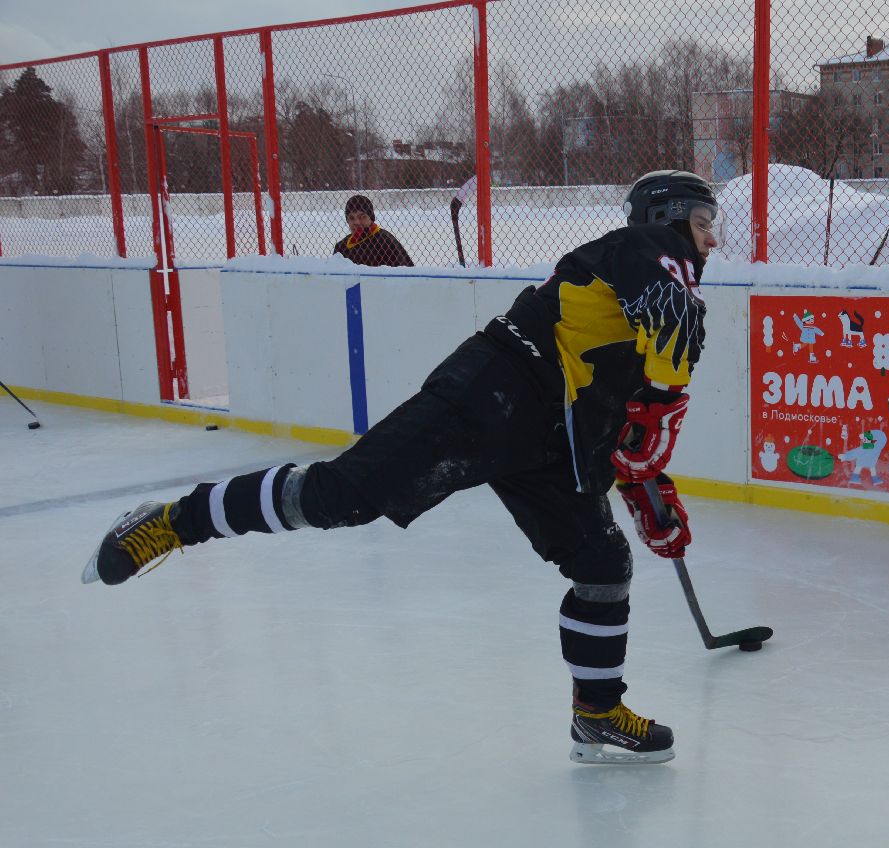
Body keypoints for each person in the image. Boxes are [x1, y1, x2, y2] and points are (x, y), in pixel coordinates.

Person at [82, 170, 722, 765]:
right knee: (341, 497)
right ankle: (174, 521)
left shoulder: (654, 297)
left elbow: (628, 414)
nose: (711, 237)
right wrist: (653, 418)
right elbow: (661, 311)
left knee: (602, 561)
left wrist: (644, 485)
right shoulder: (641, 249)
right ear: (665, 217)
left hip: (551, 432)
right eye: (701, 221)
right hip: (494, 388)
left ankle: (597, 713)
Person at [333, 194, 414, 267]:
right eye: (351, 218)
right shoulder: (341, 247)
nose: (356, 222)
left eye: (362, 217)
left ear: (371, 218)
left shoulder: (386, 242)